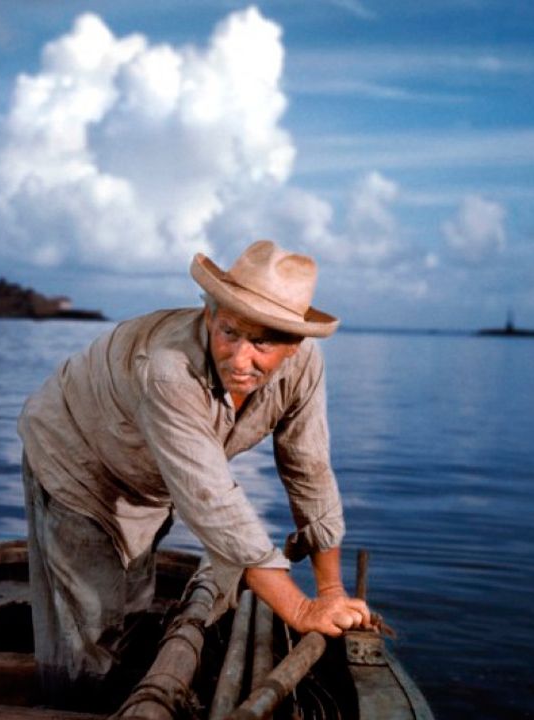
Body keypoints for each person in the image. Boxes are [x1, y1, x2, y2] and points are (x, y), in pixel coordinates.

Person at [18, 240, 373, 708]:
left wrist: (331, 591)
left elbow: (309, 469)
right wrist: (301, 608)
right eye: (229, 332)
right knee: (89, 627)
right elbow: (213, 502)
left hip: (144, 478)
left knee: (132, 606)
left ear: (294, 345)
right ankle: (74, 706)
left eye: (262, 343)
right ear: (209, 315)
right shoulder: (168, 370)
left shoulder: (305, 367)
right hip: (74, 457)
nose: (239, 359)